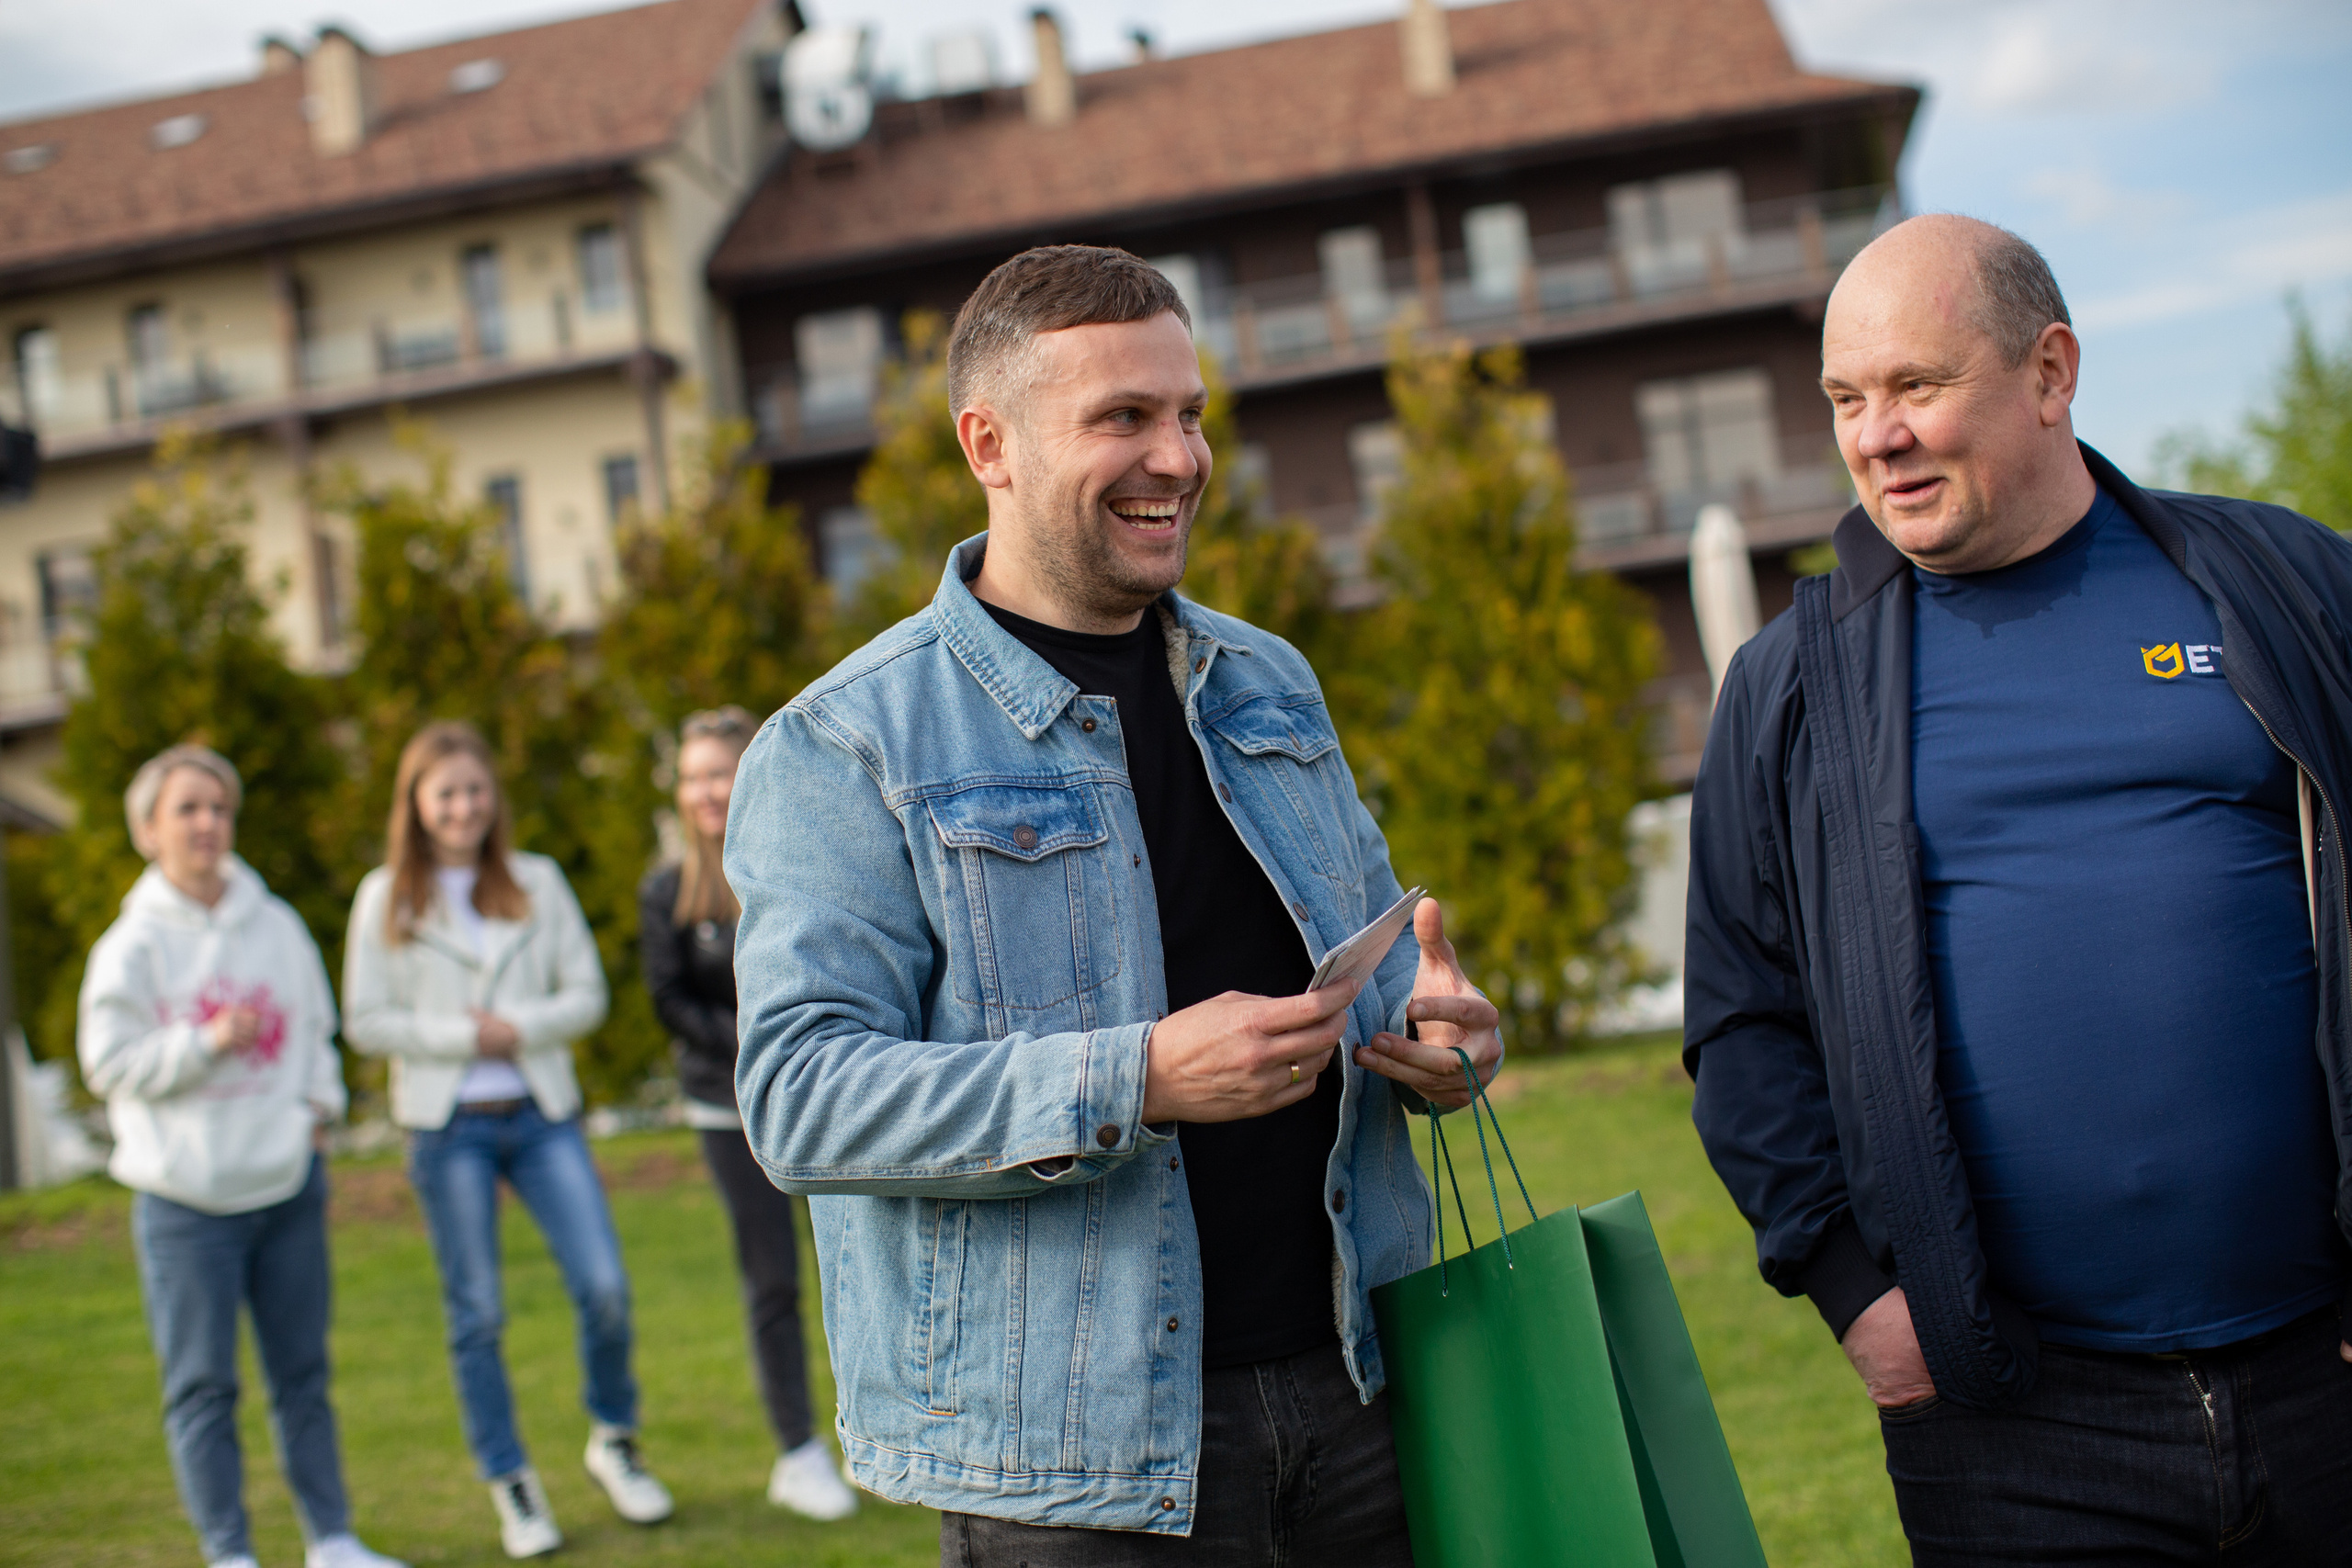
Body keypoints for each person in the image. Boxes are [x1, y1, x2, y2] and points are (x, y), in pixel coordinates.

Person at [723, 244, 1505, 1565]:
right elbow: (800, 1098)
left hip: (1360, 1386)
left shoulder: (1270, 681)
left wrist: (1441, 1032)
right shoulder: (845, 741)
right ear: (991, 443)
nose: (1180, 456)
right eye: (1123, 418)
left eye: (1189, 413)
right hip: (1073, 1466)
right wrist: (1134, 1075)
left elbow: (1372, 975)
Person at [1686, 213, 2352, 1564]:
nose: (1877, 436)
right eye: (1847, 400)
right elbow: (1743, 1023)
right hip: (2015, 1424)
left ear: (2050, 372)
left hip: (2326, 1373)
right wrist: (1857, 1293)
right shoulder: (1794, 687)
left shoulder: (2285, 589)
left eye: (1919, 387)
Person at [344, 721, 672, 1560]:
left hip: (539, 1113)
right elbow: (366, 1019)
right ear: (416, 805)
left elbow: (586, 994)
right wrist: (463, 1034)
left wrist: (515, 1026)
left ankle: (614, 1439)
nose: (463, 807)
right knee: (478, 1312)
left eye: (474, 790)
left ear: (495, 798)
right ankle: (511, 1480)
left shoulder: (537, 882)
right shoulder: (386, 897)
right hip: (446, 1126)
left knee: (604, 1285)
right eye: (445, 793)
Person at [78, 744, 405, 1568]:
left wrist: (318, 1111)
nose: (206, 823)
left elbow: (316, 1031)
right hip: (185, 1202)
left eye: (218, 807)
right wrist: (204, 1042)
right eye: (185, 808)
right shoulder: (130, 946)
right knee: (202, 1386)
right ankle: (229, 1551)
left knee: (303, 1375)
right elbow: (109, 1062)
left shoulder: (277, 922)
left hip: (285, 1184)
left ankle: (331, 1540)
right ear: (148, 830)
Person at [637, 704, 859, 1521]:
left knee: (856, 1265)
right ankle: (798, 1451)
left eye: (718, 771)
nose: (705, 790)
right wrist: (756, 1041)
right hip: (727, 1114)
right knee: (772, 1280)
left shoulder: (798, 865)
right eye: (692, 775)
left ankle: (877, 1430)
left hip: (821, 1105)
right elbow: (669, 998)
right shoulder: (666, 891)